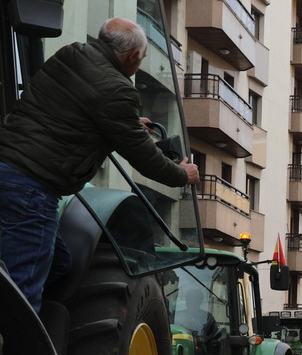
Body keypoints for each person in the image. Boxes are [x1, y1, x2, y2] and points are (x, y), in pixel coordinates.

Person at [0, 17, 199, 312]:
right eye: (141, 59)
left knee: (61, 264)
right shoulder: (118, 91)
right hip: (33, 189)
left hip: (6, 169)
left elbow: (74, 105)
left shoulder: (71, 54)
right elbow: (146, 160)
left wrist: (126, 122)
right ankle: (17, 354)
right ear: (133, 57)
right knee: (21, 296)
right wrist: (183, 174)